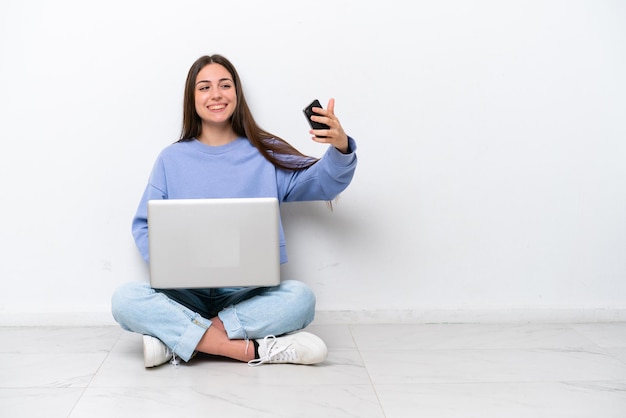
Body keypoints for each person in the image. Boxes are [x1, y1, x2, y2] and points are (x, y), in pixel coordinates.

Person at [111, 54, 358, 368]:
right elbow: (144, 226)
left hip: (246, 295)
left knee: (301, 299)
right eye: (204, 87)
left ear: (236, 95)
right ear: (192, 99)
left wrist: (340, 148)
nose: (216, 94)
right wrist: (172, 263)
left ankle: (180, 341)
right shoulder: (170, 159)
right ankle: (250, 351)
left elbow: (324, 183)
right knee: (125, 299)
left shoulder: (264, 155)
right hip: (185, 294)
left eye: (225, 85)